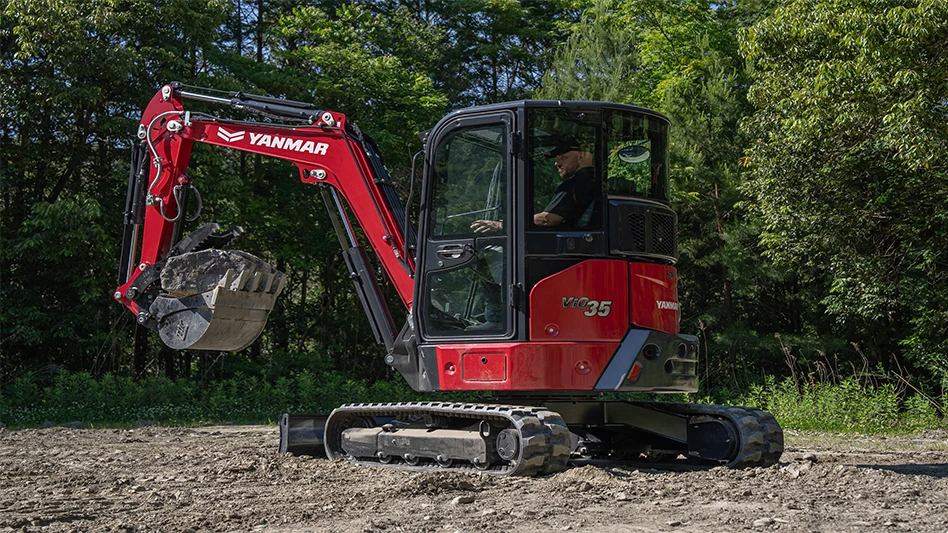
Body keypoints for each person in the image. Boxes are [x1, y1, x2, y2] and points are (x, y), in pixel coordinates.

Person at [471, 137, 596, 233]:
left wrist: (501, 225)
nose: (556, 163)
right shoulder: (596, 182)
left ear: (582, 156)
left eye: (563, 157)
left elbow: (548, 219)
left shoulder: (574, 184)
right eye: (556, 158)